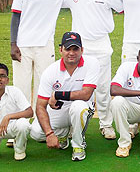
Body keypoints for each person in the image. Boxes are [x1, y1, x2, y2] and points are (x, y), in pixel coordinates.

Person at [63, 0, 123, 140]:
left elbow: (121, 8)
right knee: (80, 86)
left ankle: (106, 124)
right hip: (79, 47)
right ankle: (78, 124)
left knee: (103, 88)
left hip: (101, 44)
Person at [30, 32, 100, 161]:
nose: (71, 53)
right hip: (59, 109)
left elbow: (86, 94)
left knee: (78, 107)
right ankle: (63, 133)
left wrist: (57, 94)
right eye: (68, 49)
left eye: (75, 49)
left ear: (82, 50)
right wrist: (50, 134)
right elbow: (40, 105)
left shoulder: (92, 63)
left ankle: (78, 146)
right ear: (61, 50)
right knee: (36, 133)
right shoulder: (50, 71)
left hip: (83, 106)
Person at [10, 0, 68, 107]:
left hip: (45, 44)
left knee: (43, 85)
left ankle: (39, 121)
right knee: (21, 86)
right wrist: (13, 44)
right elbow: (16, 15)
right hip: (23, 45)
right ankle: (20, 121)